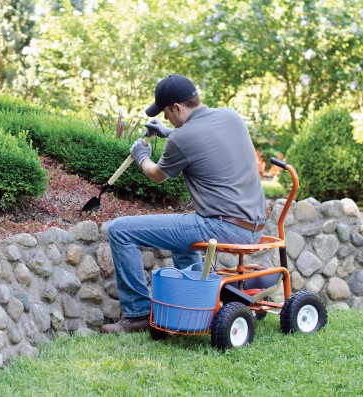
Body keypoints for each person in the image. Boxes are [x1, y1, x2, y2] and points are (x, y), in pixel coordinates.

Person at [100, 74, 267, 334]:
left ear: (177, 108)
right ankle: (198, 303)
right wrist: (168, 133)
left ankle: (138, 315)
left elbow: (157, 176)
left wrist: (141, 156)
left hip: (221, 227)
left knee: (120, 230)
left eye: (167, 114)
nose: (166, 119)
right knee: (181, 233)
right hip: (254, 227)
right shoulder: (231, 117)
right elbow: (203, 139)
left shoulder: (183, 138)